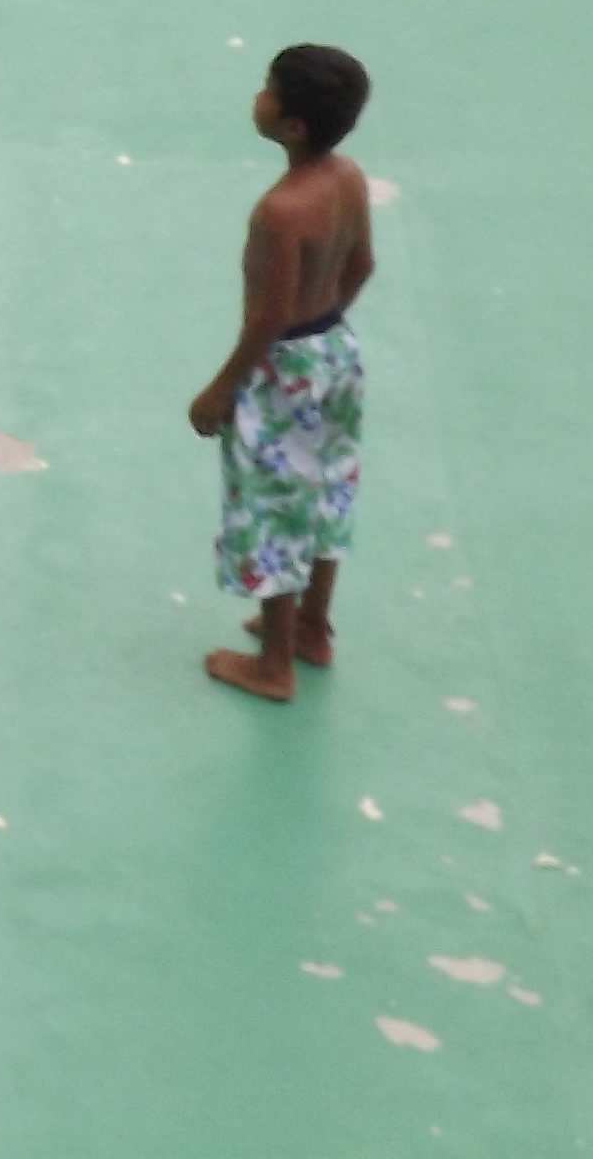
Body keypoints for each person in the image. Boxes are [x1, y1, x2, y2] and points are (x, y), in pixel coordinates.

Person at [187, 43, 377, 704]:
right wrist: (323, 330)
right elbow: (362, 266)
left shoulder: (280, 212)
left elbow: (267, 318)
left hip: (281, 371)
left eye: (267, 90)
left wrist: (223, 388)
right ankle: (313, 628)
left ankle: (272, 664)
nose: (257, 97)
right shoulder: (349, 178)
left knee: (271, 508)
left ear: (291, 125)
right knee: (325, 488)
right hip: (336, 353)